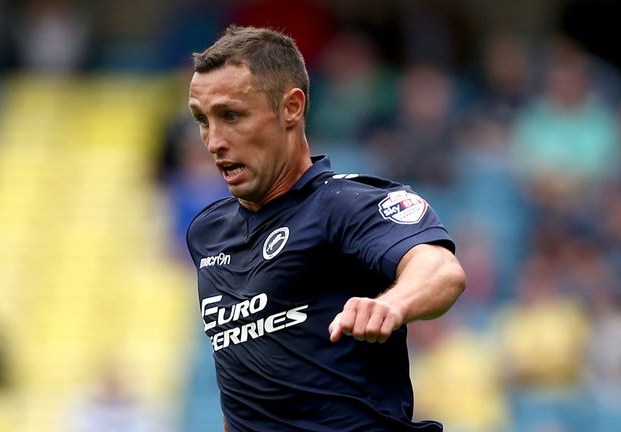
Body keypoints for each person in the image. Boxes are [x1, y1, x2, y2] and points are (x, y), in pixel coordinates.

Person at [185, 25, 466, 431]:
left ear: (291, 108)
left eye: (231, 116)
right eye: (202, 120)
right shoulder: (207, 234)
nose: (213, 142)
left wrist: (391, 304)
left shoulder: (343, 205)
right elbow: (241, 388)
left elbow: (441, 270)